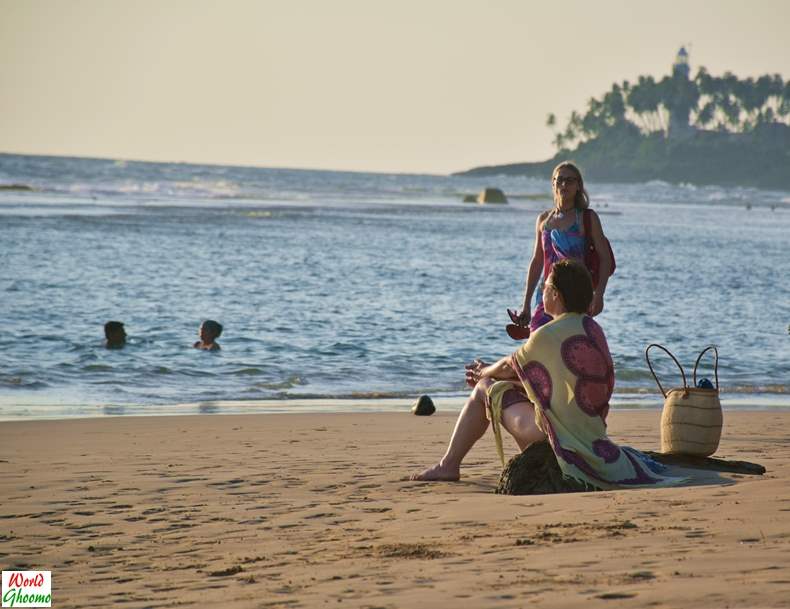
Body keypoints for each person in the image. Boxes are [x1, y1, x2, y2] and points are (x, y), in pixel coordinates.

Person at [411, 260, 681, 490]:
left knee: (484, 389)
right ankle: (530, 457)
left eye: (546, 286)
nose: (542, 291)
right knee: (511, 388)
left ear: (557, 295)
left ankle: (448, 465)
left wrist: (484, 371)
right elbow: (543, 379)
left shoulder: (548, 334)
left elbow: (508, 365)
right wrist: (503, 377)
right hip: (589, 434)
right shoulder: (591, 328)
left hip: (556, 436)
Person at [510, 161, 612, 332]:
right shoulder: (543, 220)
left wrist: (599, 295)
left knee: (571, 346)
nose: (564, 184)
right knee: (539, 341)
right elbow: (537, 262)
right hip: (547, 296)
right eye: (560, 180)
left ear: (578, 185)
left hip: (576, 296)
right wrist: (526, 304)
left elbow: (605, 258)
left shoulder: (587, 218)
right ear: (553, 184)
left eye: (570, 180)